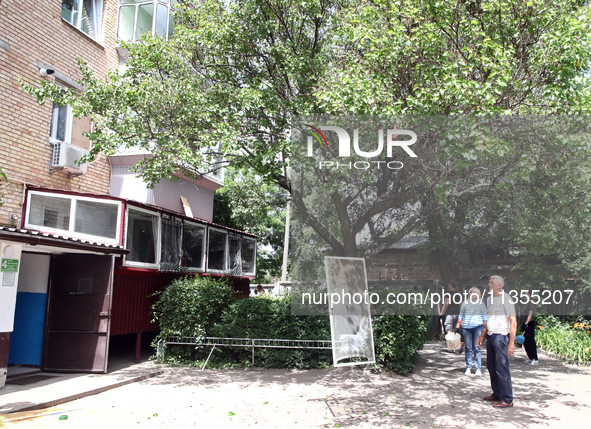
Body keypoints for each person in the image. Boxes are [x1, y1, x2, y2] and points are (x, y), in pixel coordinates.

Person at [477, 275, 517, 408]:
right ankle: (497, 393)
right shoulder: (489, 299)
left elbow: (513, 321)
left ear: (499, 285)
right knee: (492, 366)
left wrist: (511, 343)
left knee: (502, 367)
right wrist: (482, 335)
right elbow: (488, 319)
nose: (489, 284)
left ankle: (507, 398)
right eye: (489, 282)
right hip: (491, 336)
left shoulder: (507, 299)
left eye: (492, 282)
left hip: (501, 336)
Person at [456, 287, 487, 376]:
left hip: (478, 327)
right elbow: (461, 315)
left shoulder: (481, 304)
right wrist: (457, 327)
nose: (472, 294)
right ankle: (468, 367)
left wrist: (486, 329)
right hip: (466, 328)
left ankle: (478, 368)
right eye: (471, 293)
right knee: (468, 348)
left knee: (477, 347)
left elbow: (485, 317)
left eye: (474, 293)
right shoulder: (465, 303)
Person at [441, 280, 463, 352]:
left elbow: (446, 304)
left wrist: (441, 313)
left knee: (448, 330)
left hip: (450, 314)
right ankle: (455, 347)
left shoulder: (448, 294)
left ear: (450, 285)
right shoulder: (459, 294)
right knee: (454, 330)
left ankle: (452, 347)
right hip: (457, 314)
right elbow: (461, 304)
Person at [521, 289, 538, 365]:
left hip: (529, 324)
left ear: (529, 295)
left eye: (525, 294)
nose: (524, 295)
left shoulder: (531, 304)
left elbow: (530, 315)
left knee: (531, 341)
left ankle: (535, 358)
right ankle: (530, 357)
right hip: (525, 323)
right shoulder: (526, 304)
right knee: (526, 342)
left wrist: (526, 323)